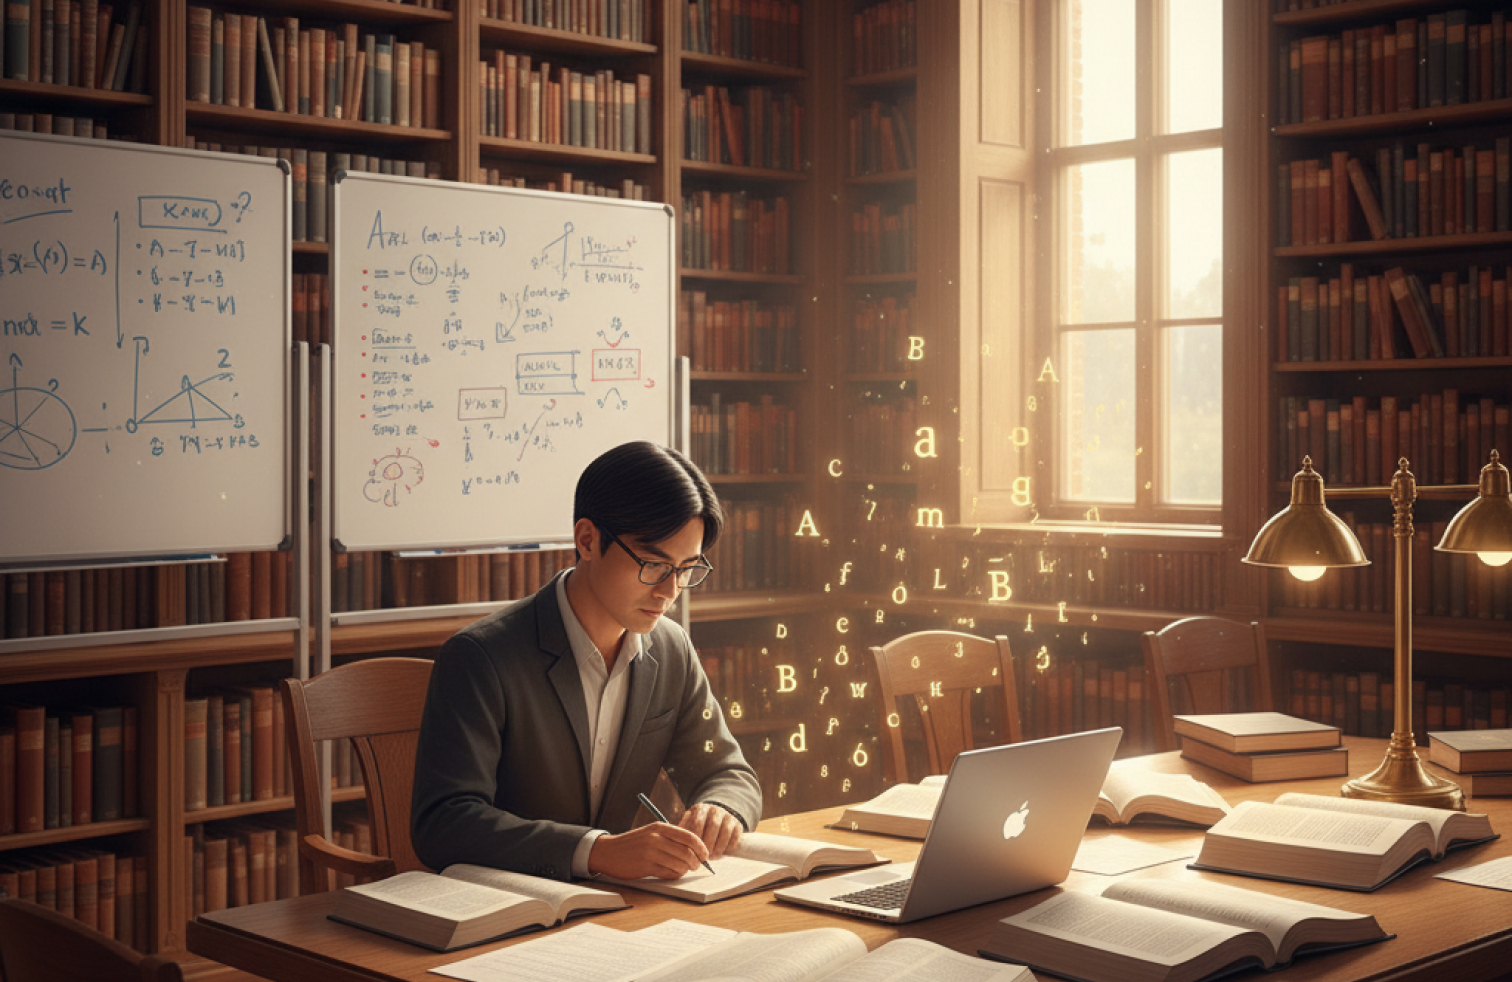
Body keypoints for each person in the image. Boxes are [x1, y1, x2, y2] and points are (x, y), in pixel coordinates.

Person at [411, 441, 761, 882]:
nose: (670, 591)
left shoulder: (672, 650)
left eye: (687, 568)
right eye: (654, 564)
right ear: (588, 540)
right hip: (509, 907)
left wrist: (722, 808)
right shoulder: (482, 657)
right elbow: (443, 823)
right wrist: (596, 852)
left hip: (617, 907)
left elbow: (728, 771)